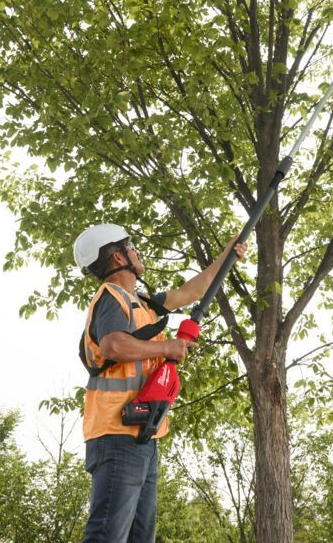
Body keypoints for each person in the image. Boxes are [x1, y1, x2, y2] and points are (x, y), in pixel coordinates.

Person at [73, 223, 247, 543]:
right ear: (116, 257)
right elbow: (113, 346)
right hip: (116, 433)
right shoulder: (113, 298)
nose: (136, 252)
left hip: (142, 435)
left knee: (141, 537)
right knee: (107, 535)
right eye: (130, 246)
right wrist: (166, 348)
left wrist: (228, 256)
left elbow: (189, 292)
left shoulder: (143, 302)